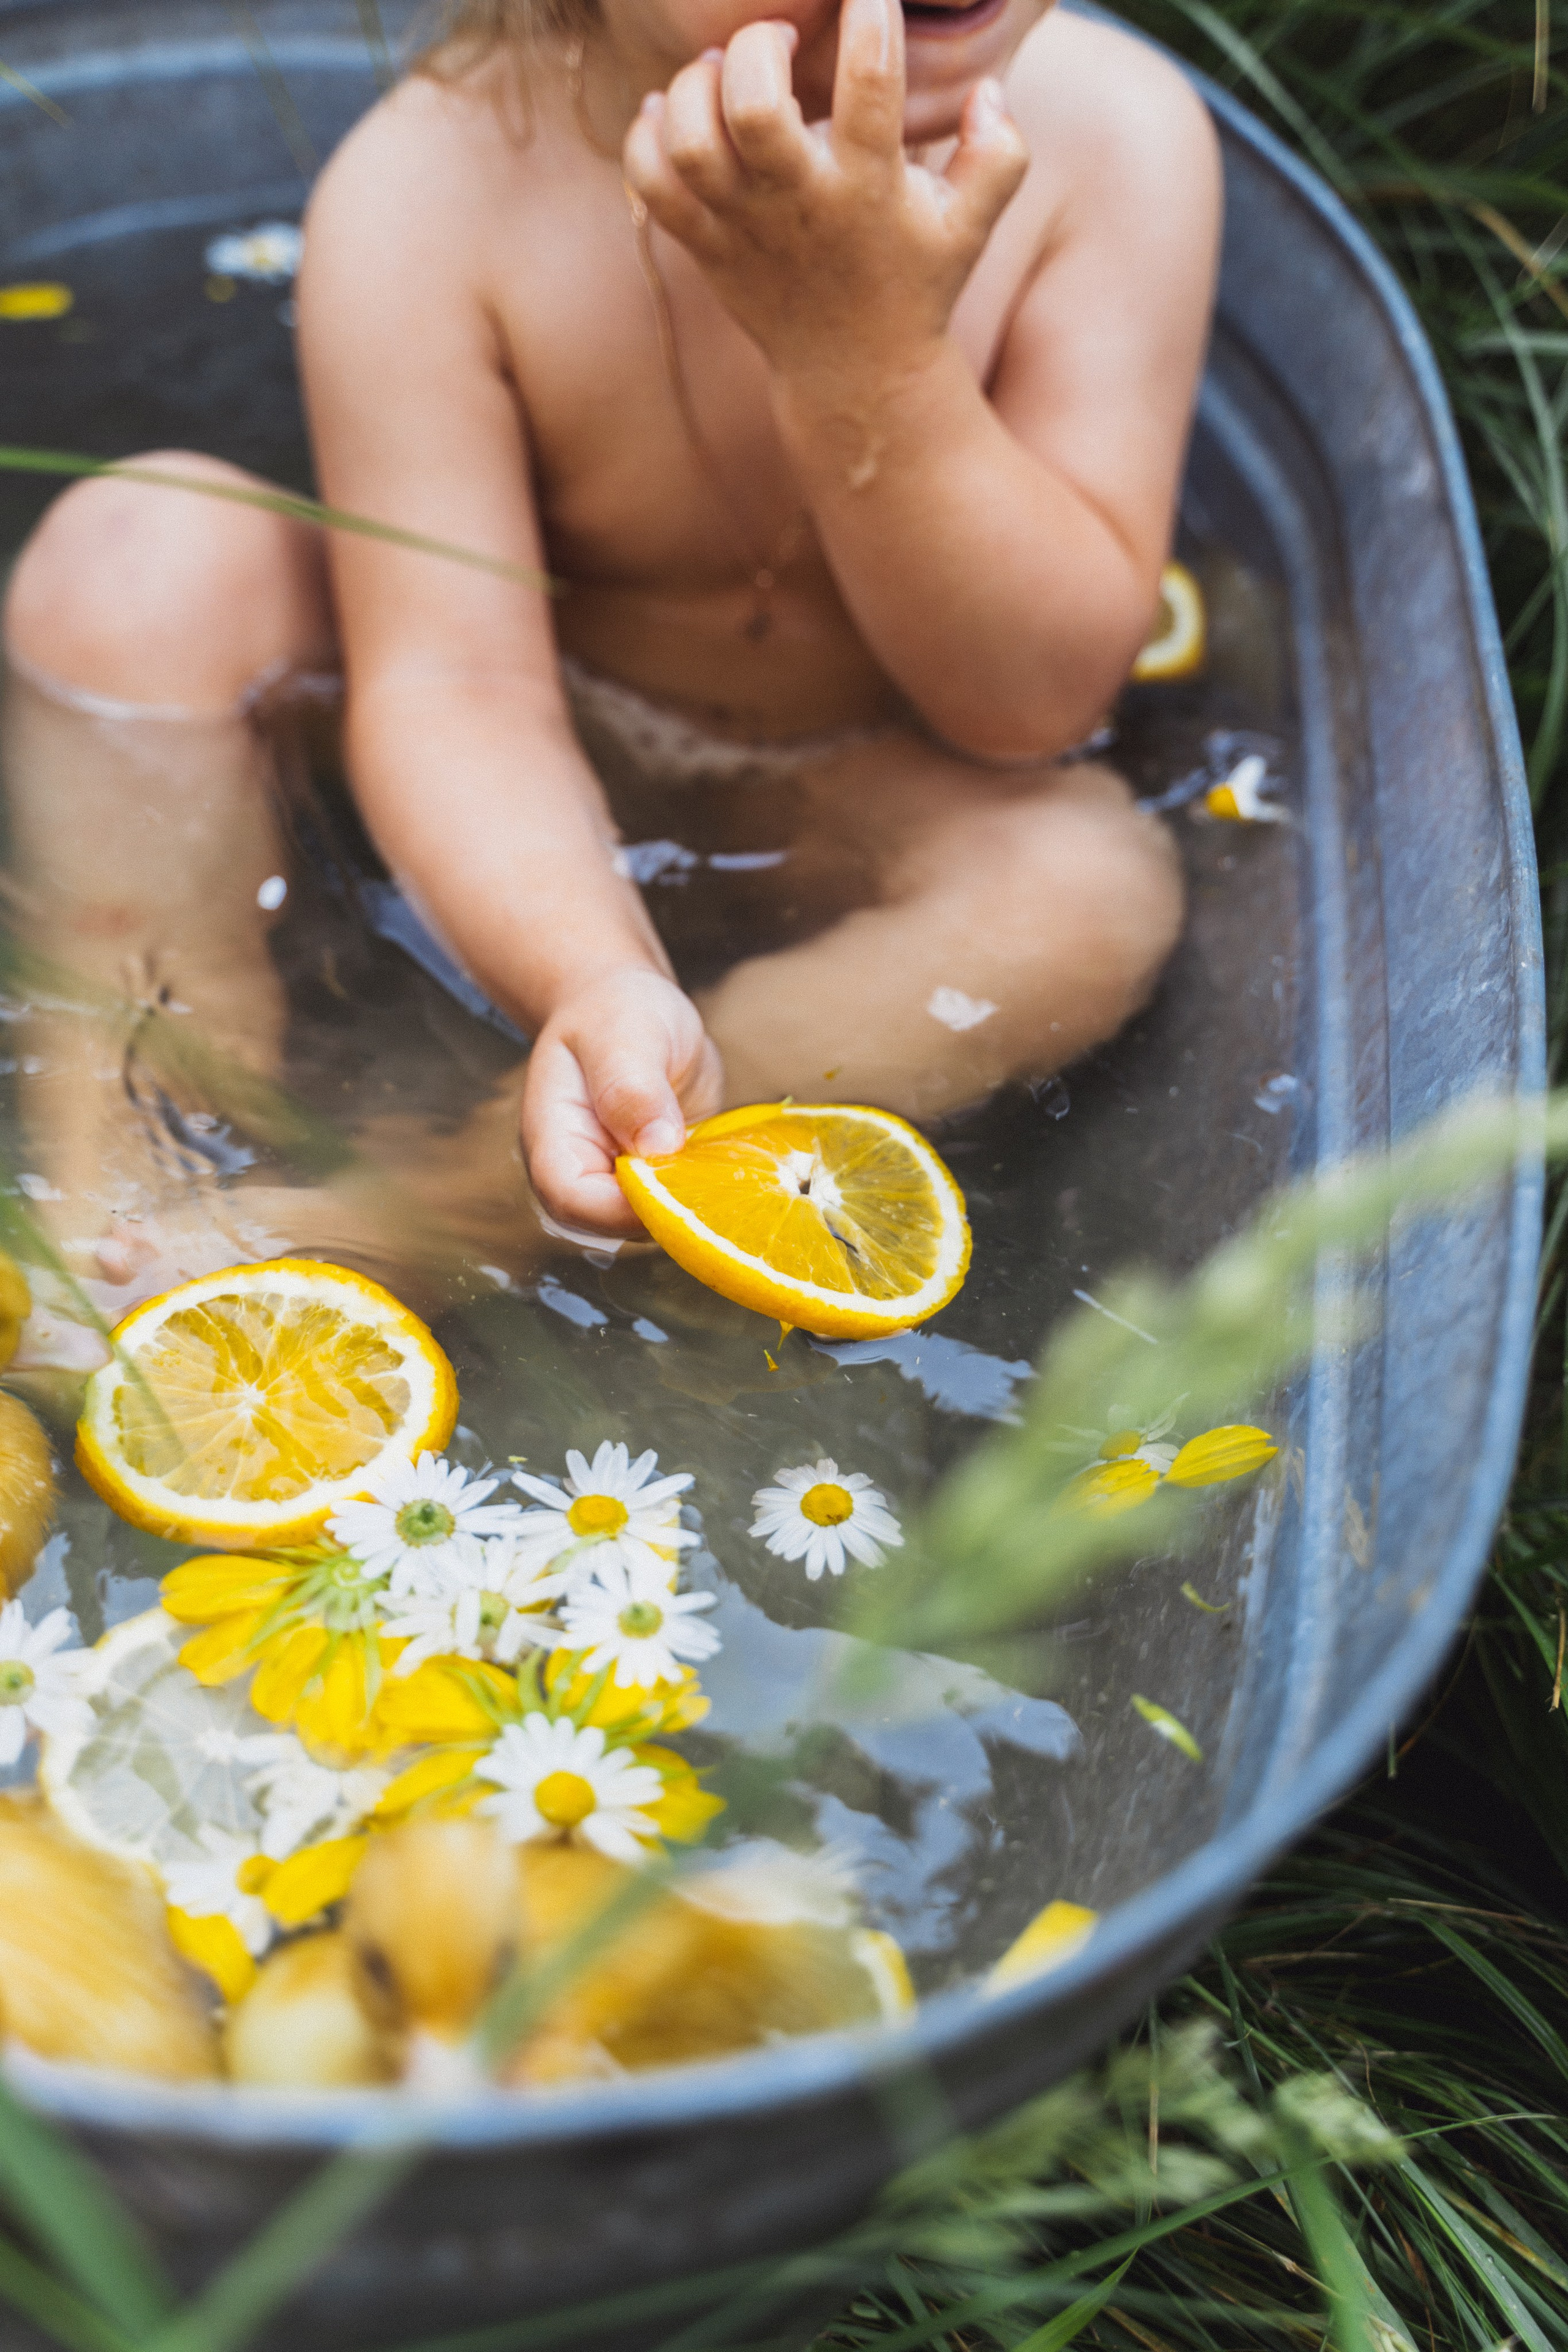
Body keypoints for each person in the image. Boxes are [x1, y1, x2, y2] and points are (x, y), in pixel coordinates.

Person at [0, 0, 1218, 1301]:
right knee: (137, 560)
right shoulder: (439, 187)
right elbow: (457, 683)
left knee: (1078, 889)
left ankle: (433, 1215)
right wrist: (593, 971)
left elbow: (1028, 708)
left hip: (877, 770)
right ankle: (122, 1185)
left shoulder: (1109, 141)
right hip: (527, 725)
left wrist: (867, 355)